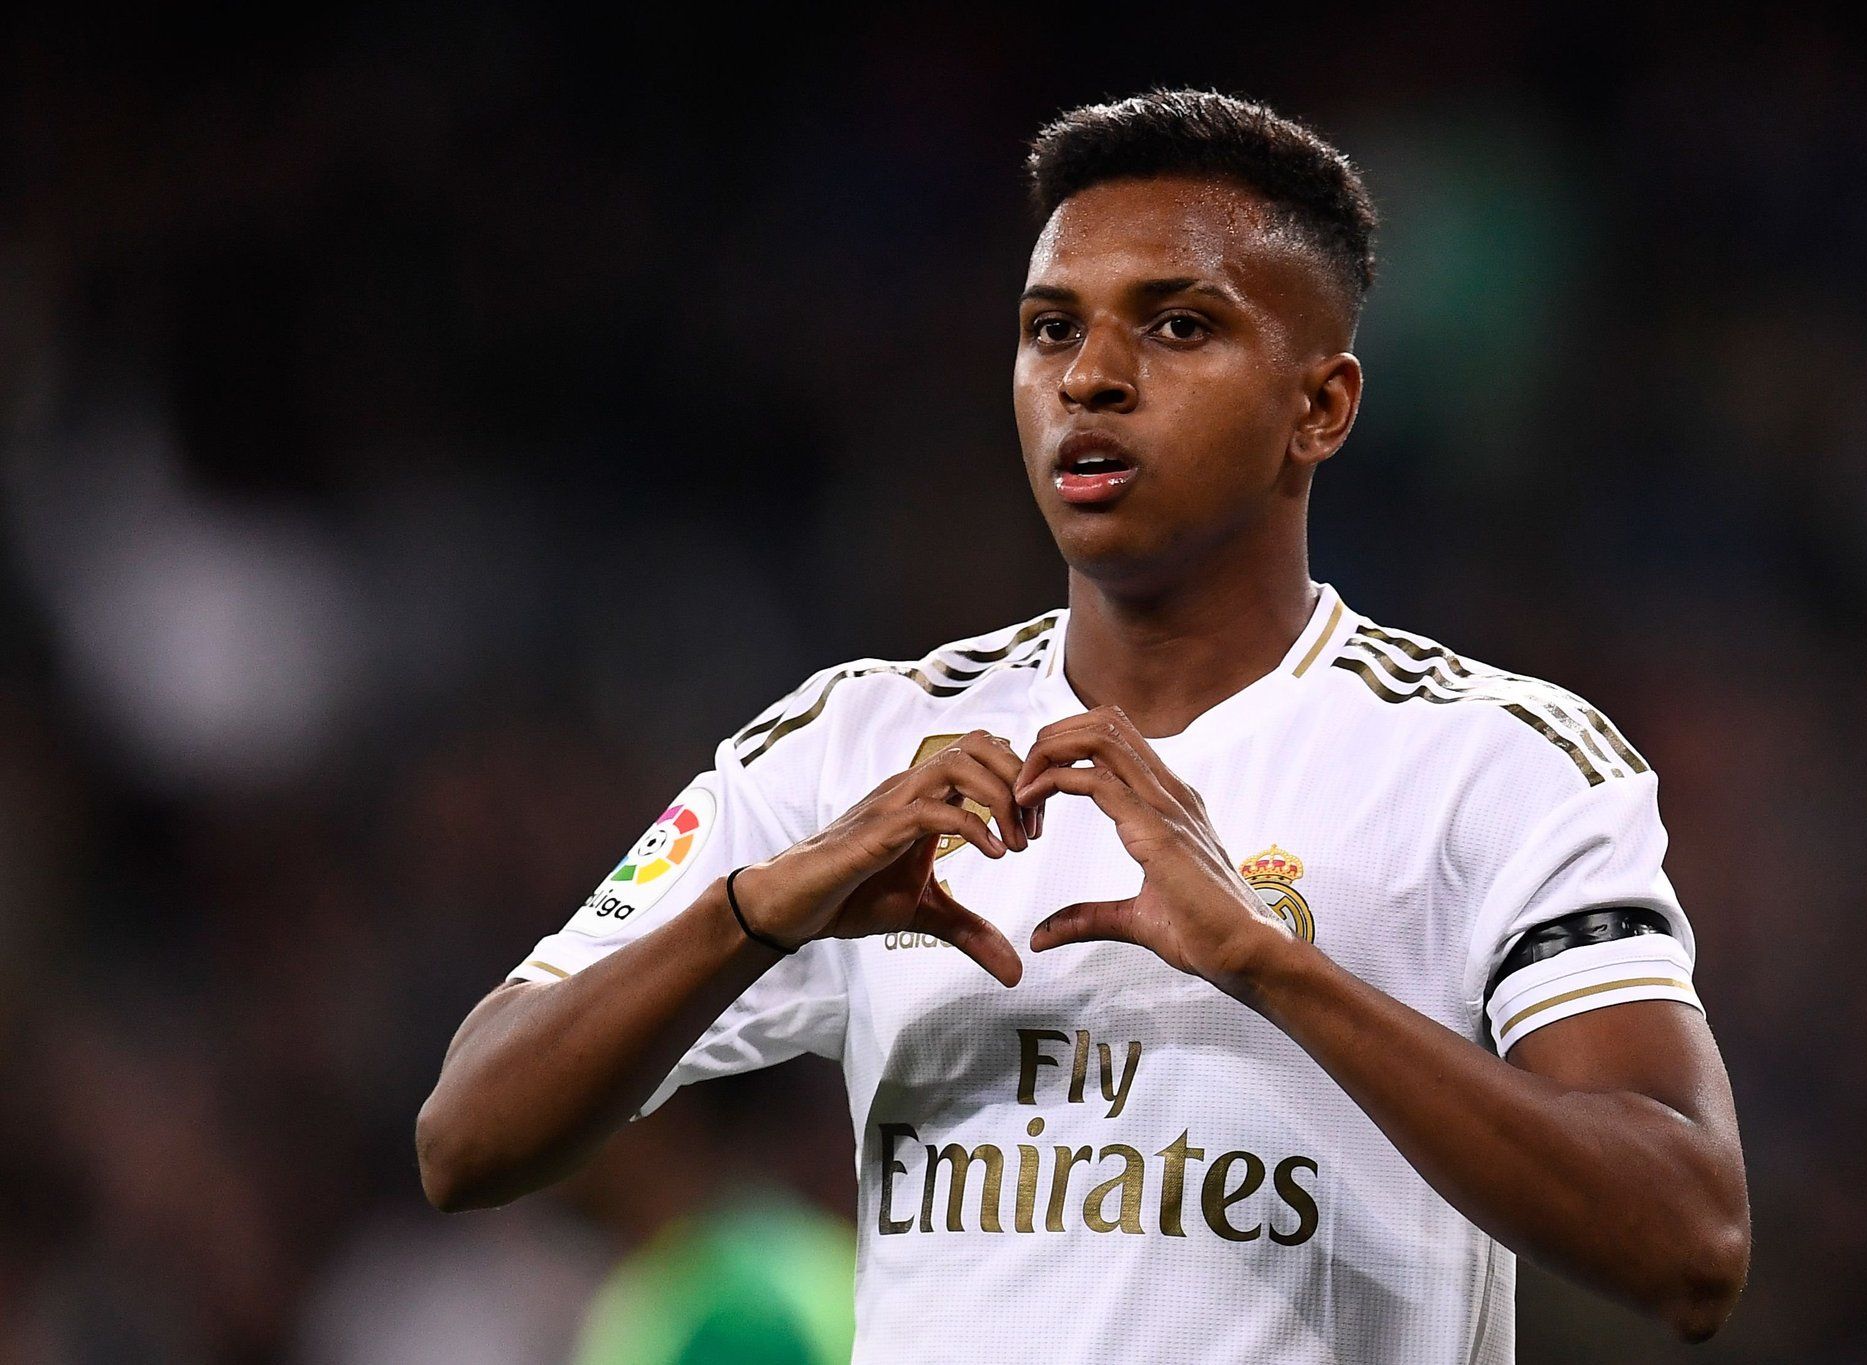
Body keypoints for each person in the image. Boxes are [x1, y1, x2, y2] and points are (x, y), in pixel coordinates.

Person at [417, 89, 1750, 1363]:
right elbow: (466, 1136)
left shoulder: (1494, 762)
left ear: (1321, 406)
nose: (1093, 377)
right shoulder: (852, 745)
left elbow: (1692, 1237)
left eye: (1177, 327)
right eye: (1052, 328)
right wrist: (758, 910)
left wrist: (1268, 966)